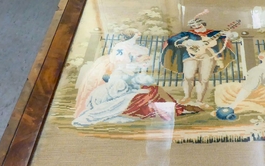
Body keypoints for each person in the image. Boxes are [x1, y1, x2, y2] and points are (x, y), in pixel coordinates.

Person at [72, 51, 200, 127]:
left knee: (154, 89)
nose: (145, 61)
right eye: (143, 59)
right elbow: (117, 90)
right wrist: (136, 86)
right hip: (120, 97)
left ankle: (175, 108)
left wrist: (138, 84)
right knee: (154, 91)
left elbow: (135, 83)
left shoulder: (131, 69)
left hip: (128, 93)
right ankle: (176, 108)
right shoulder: (121, 70)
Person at [161, 10, 237, 110]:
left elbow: (231, 36)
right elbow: (172, 40)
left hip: (209, 56)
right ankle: (187, 97)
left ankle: (200, 101)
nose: (196, 27)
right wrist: (186, 42)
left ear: (203, 24)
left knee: (204, 79)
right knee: (188, 76)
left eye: (198, 25)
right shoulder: (187, 33)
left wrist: (231, 34)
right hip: (190, 54)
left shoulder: (214, 33)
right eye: (194, 26)